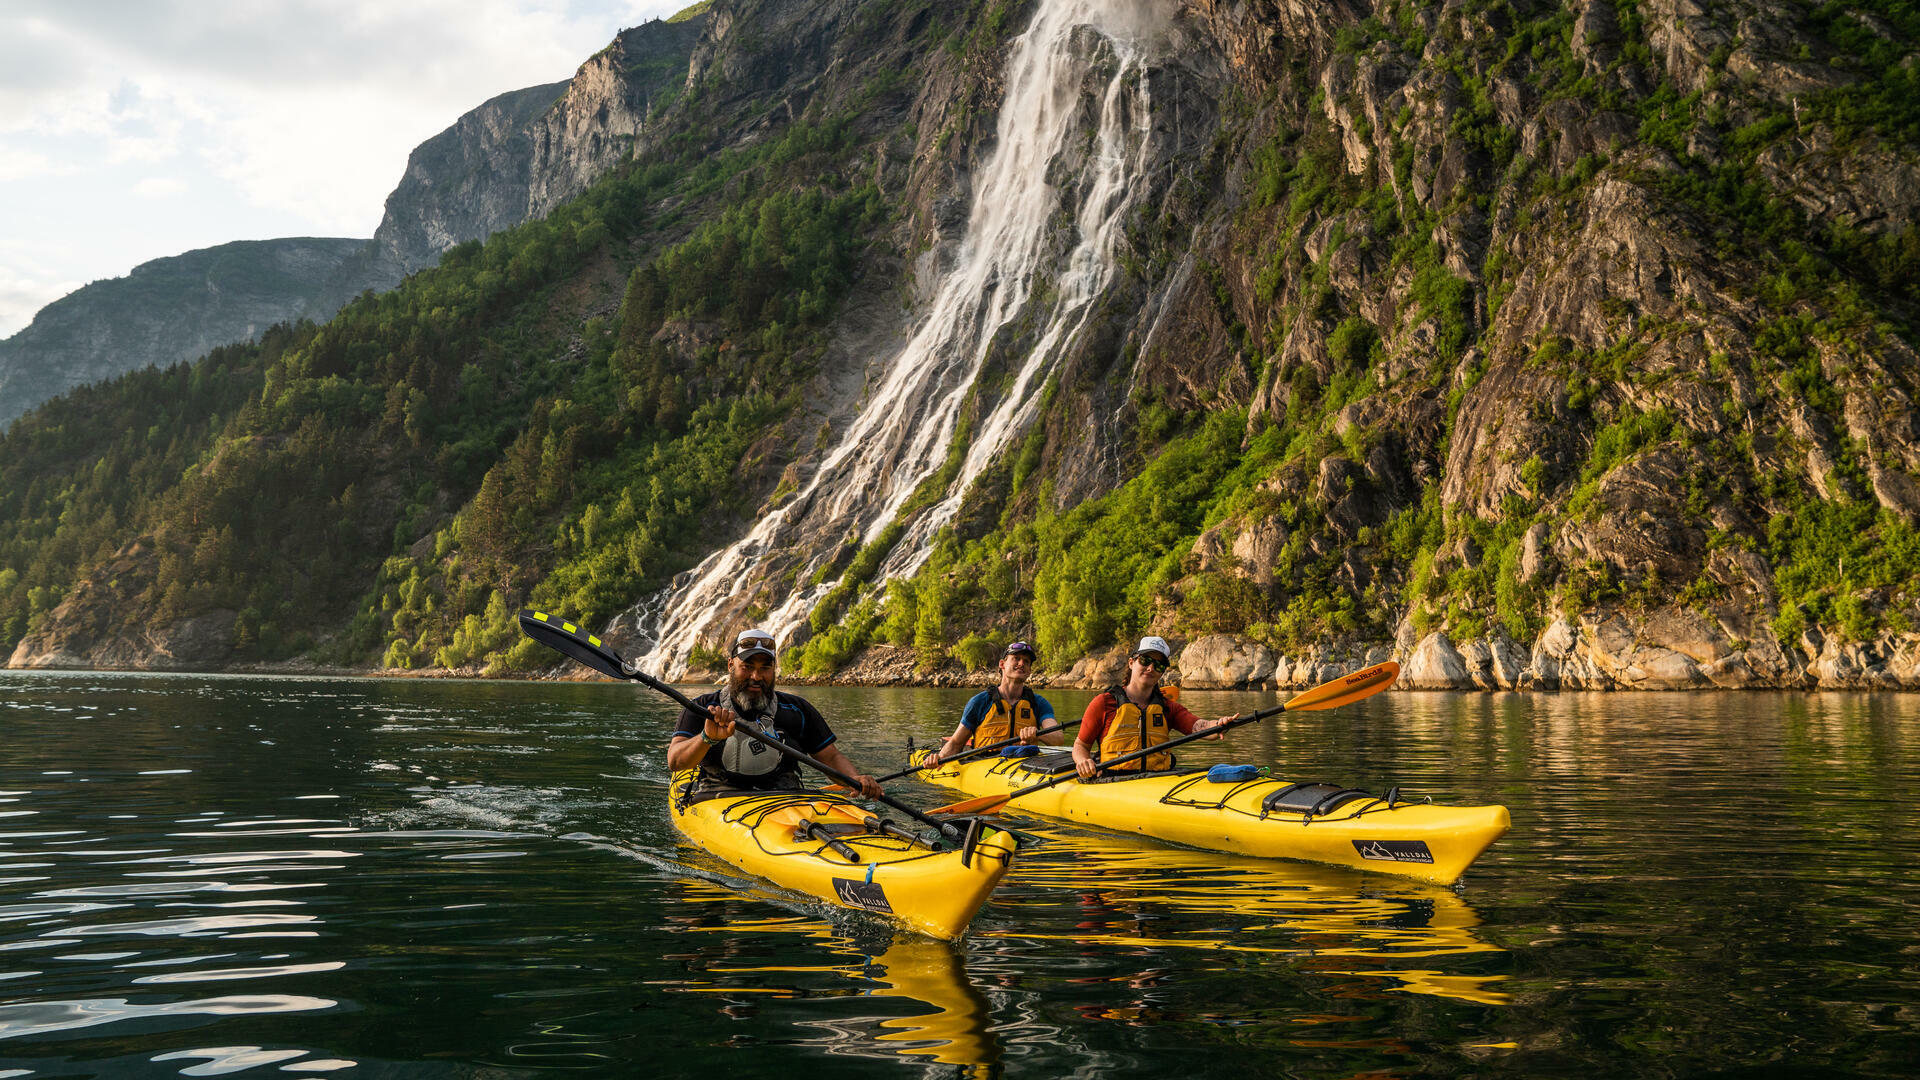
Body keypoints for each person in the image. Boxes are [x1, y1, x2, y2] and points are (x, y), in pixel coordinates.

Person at [668, 627, 883, 798]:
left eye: (765, 668)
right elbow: (675, 762)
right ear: (731, 665)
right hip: (718, 795)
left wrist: (855, 778)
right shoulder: (703, 707)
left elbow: (830, 757)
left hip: (785, 796)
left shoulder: (798, 709)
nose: (756, 676)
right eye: (747, 666)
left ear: (774, 669)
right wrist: (706, 738)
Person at [1072, 636, 1232, 780]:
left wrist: (1217, 726)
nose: (1151, 668)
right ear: (1131, 662)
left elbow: (1199, 726)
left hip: (1158, 780)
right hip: (1114, 781)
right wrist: (1083, 761)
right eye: (1145, 660)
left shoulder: (1168, 707)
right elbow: (1080, 746)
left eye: (1159, 665)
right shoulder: (1104, 703)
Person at [927, 640, 1063, 765]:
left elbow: (1058, 739)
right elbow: (956, 744)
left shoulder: (1038, 703)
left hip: (1024, 764)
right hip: (984, 764)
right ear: (1002, 664)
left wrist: (1037, 733)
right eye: (1016, 658)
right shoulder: (979, 702)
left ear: (1029, 671)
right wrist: (939, 758)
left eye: (1026, 661)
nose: (1022, 664)